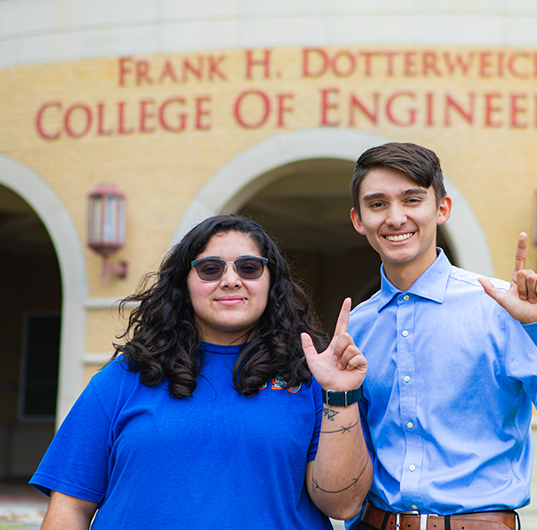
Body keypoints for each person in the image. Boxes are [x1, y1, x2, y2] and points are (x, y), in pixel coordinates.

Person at [345, 142, 537, 530]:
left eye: (412, 200)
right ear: (359, 219)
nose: (395, 218)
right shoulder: (357, 327)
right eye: (377, 204)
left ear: (442, 209)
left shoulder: (503, 309)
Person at [30, 215, 371, 529]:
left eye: (249, 268)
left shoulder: (310, 380)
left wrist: (340, 394)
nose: (231, 280)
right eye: (210, 268)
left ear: (271, 283)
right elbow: (70, 508)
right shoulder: (122, 380)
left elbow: (342, 505)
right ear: (184, 283)